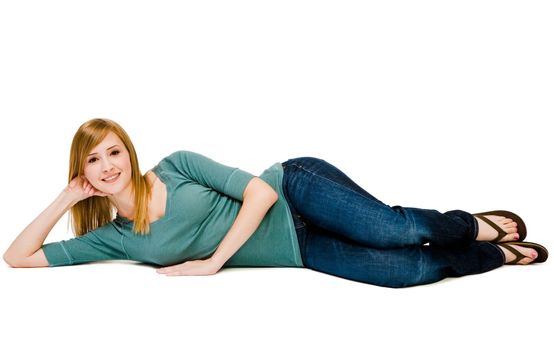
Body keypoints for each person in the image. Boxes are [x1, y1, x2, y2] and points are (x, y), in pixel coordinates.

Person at [3, 118, 548, 288]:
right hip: (298, 249)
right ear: (85, 172)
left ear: (130, 150)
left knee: (391, 230)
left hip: (295, 188)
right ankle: (494, 256)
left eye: (114, 152)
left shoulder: (175, 164)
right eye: (93, 162)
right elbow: (17, 257)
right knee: (406, 272)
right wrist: (64, 197)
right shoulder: (113, 237)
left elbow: (260, 190)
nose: (108, 166)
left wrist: (214, 262)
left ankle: (471, 224)